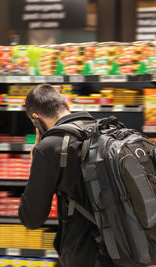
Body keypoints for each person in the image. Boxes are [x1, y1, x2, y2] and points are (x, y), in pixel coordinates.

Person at [18, 84, 114, 267]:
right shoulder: (104, 132)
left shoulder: (49, 148)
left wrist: (36, 161)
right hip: (125, 247)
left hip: (85, 254)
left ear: (36, 119)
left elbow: (31, 218)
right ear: (67, 106)